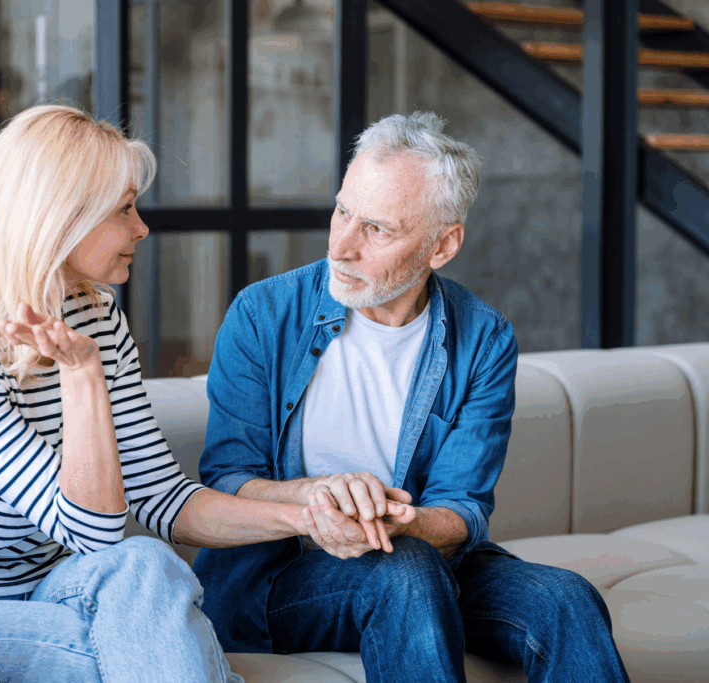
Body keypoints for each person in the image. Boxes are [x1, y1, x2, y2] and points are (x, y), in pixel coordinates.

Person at [0, 105, 334, 683]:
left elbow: (164, 500)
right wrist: (83, 375)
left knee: (143, 562)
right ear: (61, 216)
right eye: (123, 210)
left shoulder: (96, 319)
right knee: (114, 651)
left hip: (45, 585)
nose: (141, 228)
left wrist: (311, 517)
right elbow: (91, 530)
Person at [193, 112, 631, 682]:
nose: (341, 247)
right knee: (404, 572)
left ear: (442, 245)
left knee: (567, 598)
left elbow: (462, 509)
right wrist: (318, 500)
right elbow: (226, 477)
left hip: (418, 559)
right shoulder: (262, 314)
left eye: (376, 229)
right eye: (342, 211)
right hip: (277, 581)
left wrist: (401, 522)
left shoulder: (484, 337)